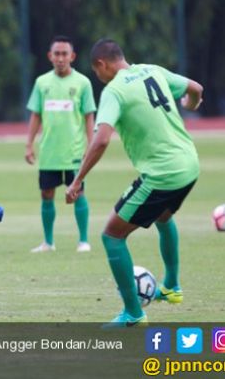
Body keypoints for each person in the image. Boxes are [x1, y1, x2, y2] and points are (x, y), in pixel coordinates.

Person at [66, 39, 203, 327]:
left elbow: (101, 138)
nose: (99, 78)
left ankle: (133, 313)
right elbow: (196, 89)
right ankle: (172, 287)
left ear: (102, 65)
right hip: (189, 164)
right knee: (164, 216)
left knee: (112, 235)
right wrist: (189, 105)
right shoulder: (152, 70)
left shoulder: (114, 90)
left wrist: (78, 179)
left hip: (163, 173)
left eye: (97, 73)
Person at [25, 35, 96, 253]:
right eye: (57, 53)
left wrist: (90, 146)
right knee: (47, 194)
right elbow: (36, 115)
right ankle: (48, 242)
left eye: (65, 53)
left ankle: (83, 241)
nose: (61, 58)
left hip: (74, 151)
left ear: (72, 56)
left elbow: (88, 116)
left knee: (78, 193)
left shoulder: (83, 83)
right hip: (49, 151)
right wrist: (29, 144)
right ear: (50, 56)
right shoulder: (41, 82)